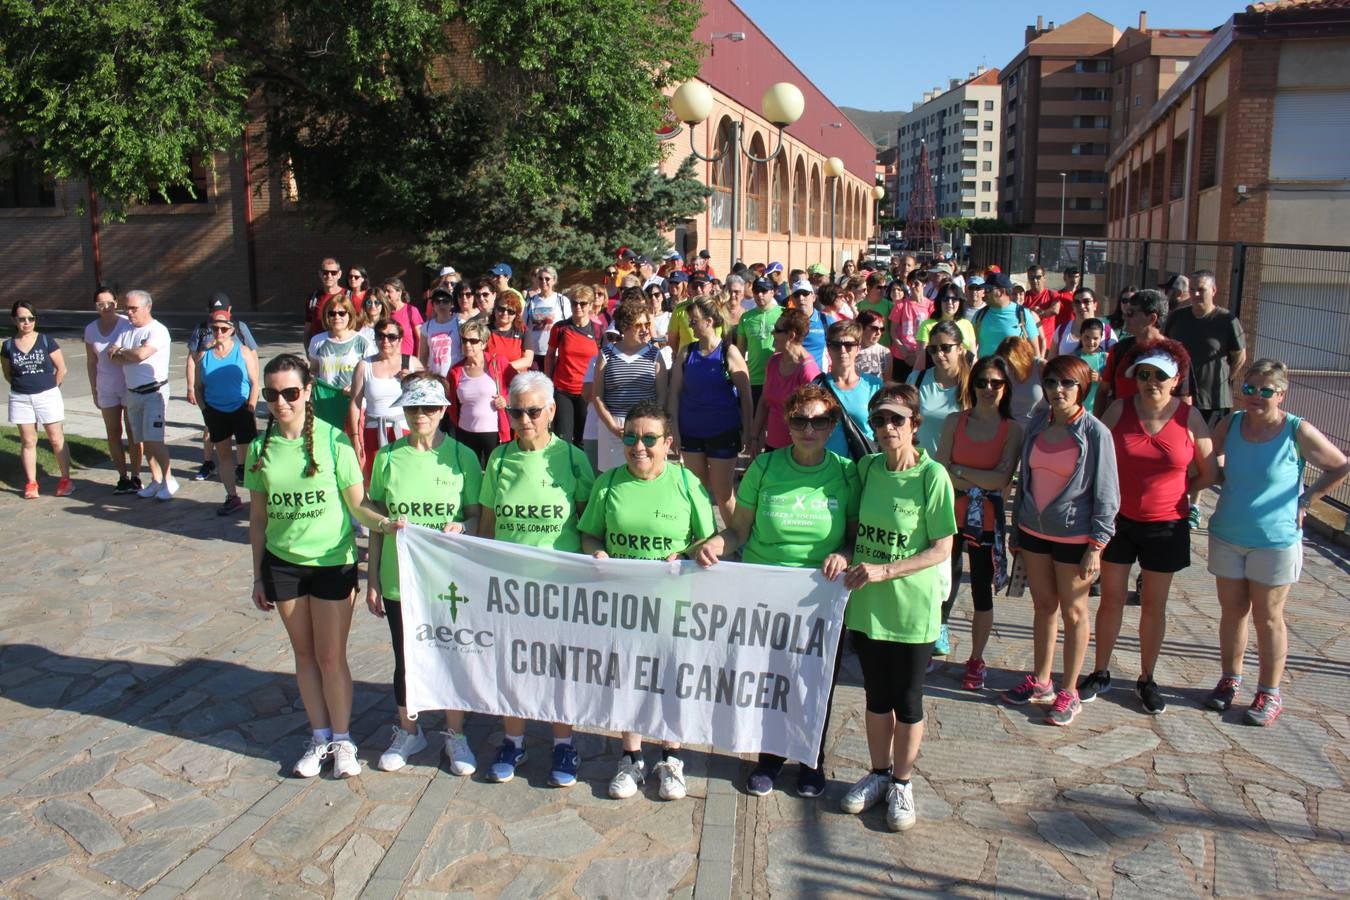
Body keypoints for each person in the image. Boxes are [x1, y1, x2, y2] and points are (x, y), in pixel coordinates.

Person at [695, 384, 859, 797]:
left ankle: (811, 759)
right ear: (787, 423)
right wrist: (716, 544)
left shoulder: (845, 472)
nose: (809, 429)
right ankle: (769, 757)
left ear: (832, 425)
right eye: (800, 421)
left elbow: (855, 536)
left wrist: (843, 554)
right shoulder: (765, 467)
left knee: (815, 680)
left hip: (820, 597)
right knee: (769, 677)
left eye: (819, 421)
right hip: (765, 594)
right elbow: (738, 531)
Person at [246, 353, 392, 778]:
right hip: (283, 565)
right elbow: (258, 518)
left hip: (332, 563)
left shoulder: (334, 441)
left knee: (331, 657)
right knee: (304, 655)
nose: (281, 402)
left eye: (290, 392)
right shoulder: (259, 448)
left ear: (308, 391)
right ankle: (320, 736)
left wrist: (389, 524)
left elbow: (358, 505)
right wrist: (258, 574)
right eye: (272, 394)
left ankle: (343, 741)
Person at [581, 400, 717, 801]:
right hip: (623, 605)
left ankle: (671, 757)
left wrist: (689, 553)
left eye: (649, 439)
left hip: (674, 605)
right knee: (627, 678)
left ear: (668, 443)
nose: (638, 447)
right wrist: (596, 551)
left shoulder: (687, 483)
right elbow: (590, 533)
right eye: (630, 438)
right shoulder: (608, 483)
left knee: (671, 679)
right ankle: (631, 757)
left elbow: (709, 540)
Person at [1204, 359, 1349, 726]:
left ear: (1281, 394)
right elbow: (1207, 457)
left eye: (1265, 391)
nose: (1255, 396)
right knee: (1233, 612)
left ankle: (1269, 692)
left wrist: (1306, 500)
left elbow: (1340, 465)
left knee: (1268, 618)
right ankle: (1230, 679)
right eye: (1249, 388)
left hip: (1275, 540)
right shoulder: (1231, 423)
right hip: (1228, 534)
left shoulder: (1296, 430)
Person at [839, 383, 955, 831]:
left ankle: (903, 783)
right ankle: (878, 773)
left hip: (911, 606)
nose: (887, 427)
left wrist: (885, 570)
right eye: (879, 420)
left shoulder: (932, 476)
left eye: (896, 419)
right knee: (876, 695)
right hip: (868, 603)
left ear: (914, 424)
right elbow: (852, 525)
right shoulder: (867, 468)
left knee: (907, 699)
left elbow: (942, 547)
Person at [1078, 347, 1216, 714]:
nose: (1150, 382)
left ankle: (1147, 678)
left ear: (1175, 380)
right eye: (1143, 374)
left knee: (1154, 605)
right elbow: (1092, 455)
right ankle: (1100, 671)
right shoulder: (1119, 410)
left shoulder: (1189, 417)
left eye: (1159, 375)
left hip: (1167, 525)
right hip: (1118, 521)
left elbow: (1210, 471)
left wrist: (1180, 493)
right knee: (1111, 599)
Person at [479, 371, 595, 785]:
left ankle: (564, 744)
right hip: (511, 586)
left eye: (533, 411)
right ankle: (513, 740)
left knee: (559, 667)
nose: (524, 419)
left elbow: (589, 523)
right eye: (516, 412)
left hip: (560, 584)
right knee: (512, 664)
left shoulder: (573, 459)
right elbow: (487, 524)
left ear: (550, 411)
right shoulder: (499, 459)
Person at [364, 373, 482, 773]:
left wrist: (462, 527)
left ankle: (456, 734)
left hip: (449, 581)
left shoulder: (463, 457)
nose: (421, 415)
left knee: (451, 655)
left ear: (443, 411)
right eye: (414, 407)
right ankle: (408, 730)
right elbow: (376, 519)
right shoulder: (388, 457)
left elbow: (476, 515)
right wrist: (373, 579)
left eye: (429, 407)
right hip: (400, 577)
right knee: (405, 656)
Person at [1003, 356, 1119, 727]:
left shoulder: (1095, 433)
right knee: (1043, 607)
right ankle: (1041, 681)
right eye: (1052, 383)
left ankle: (1069, 690)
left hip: (1075, 536)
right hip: (1034, 532)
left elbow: (1107, 493)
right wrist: (1017, 529)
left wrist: (1097, 545)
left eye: (1067, 383)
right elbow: (1025, 479)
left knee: (1074, 613)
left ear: (1082, 387)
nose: (1058, 390)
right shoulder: (1038, 423)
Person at [937, 356, 1022, 690]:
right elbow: (941, 470)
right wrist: (977, 479)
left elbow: (1002, 479)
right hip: (949, 515)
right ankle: (930, 641)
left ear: (1006, 388)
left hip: (986, 521)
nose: (988, 388)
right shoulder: (954, 421)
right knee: (940, 584)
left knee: (981, 591)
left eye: (996, 383)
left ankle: (976, 658)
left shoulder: (1012, 429)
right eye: (982, 382)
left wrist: (960, 472)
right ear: (971, 385)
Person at [668, 298, 753, 524]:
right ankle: (705, 537)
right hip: (691, 432)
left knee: (723, 494)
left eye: (694, 321)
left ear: (709, 321)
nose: (690, 325)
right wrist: (673, 429)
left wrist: (748, 431)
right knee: (697, 492)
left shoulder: (729, 352)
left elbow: (746, 397)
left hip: (723, 432)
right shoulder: (686, 352)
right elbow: (674, 394)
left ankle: (737, 539)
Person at [191, 308, 261, 515]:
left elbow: (255, 382)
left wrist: (251, 407)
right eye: (215, 329)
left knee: (249, 458)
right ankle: (232, 496)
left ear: (231, 330)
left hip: (241, 408)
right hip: (215, 411)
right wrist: (205, 410)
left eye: (223, 328)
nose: (219, 332)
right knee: (224, 456)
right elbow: (198, 386)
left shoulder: (243, 351)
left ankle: (257, 500)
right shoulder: (204, 355)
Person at [109, 290, 177, 500]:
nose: (129, 313)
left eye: (133, 308)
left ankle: (169, 480)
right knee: (143, 441)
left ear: (147, 307)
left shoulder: (158, 331)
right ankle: (156, 480)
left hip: (153, 392)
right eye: (126, 309)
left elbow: (141, 354)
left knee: (155, 439)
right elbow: (113, 356)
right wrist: (126, 352)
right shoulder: (126, 331)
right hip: (133, 392)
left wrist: (124, 351)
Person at [4, 301, 73, 499]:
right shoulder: (8, 345)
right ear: (14, 320)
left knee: (56, 438)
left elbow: (61, 369)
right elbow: (7, 373)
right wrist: (23, 386)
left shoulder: (46, 341)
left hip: (47, 395)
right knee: (28, 441)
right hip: (20, 398)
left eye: (31, 318)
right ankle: (31, 483)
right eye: (22, 319)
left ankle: (66, 480)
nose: (27, 322)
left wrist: (51, 388)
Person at [592, 300, 667, 472]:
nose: (645, 329)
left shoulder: (655, 354)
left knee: (646, 474)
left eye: (647, 324)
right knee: (613, 477)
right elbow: (597, 396)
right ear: (625, 327)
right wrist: (612, 426)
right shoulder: (606, 354)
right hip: (614, 427)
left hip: (647, 426)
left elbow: (662, 396)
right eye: (639, 325)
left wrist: (651, 424)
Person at [1163, 270, 1245, 425]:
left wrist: (1225, 379)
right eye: (1192, 289)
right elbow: (1165, 349)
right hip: (1178, 395)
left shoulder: (1227, 320)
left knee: (1208, 439)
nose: (1196, 294)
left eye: (1201, 290)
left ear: (1213, 290)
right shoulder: (1177, 317)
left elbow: (1240, 356)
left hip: (1213, 400)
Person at [348, 317, 421, 481]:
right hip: (374, 430)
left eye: (391, 337)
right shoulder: (364, 365)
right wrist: (355, 438)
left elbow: (427, 397)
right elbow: (355, 404)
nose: (385, 341)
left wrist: (413, 380)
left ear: (400, 340)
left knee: (406, 478)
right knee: (377, 480)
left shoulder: (412, 363)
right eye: (380, 336)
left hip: (405, 429)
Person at [84, 286, 141, 493]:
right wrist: (94, 389)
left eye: (109, 303)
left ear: (116, 303)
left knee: (133, 431)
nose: (106, 307)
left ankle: (136, 476)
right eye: (101, 304)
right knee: (113, 432)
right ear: (95, 306)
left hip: (128, 384)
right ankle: (122, 477)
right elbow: (91, 362)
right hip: (105, 386)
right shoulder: (91, 329)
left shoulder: (127, 324)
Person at [749, 308, 820, 455]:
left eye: (777, 330)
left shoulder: (808, 371)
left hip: (797, 451)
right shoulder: (774, 361)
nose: (772, 333)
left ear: (791, 335)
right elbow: (764, 401)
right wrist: (754, 437)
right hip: (771, 446)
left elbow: (812, 418)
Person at [445, 320, 510, 466]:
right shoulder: (455, 371)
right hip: (465, 432)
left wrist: (506, 399)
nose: (467, 344)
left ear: (484, 344)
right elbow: (451, 402)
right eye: (464, 340)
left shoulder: (498, 362)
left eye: (473, 341)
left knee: (494, 472)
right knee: (468, 472)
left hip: (494, 432)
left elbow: (519, 388)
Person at [817, 319, 882, 461]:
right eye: (836, 345)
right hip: (827, 465)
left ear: (858, 348)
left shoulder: (875, 386)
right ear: (828, 348)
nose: (842, 350)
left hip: (864, 464)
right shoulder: (817, 386)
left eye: (849, 345)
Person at [306, 294, 372, 430]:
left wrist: (355, 386)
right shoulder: (317, 341)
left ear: (350, 315)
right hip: (325, 404)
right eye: (332, 313)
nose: (337, 317)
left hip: (354, 403)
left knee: (353, 441)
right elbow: (314, 370)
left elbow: (371, 375)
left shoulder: (363, 342)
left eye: (342, 313)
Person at [736, 277, 785, 411]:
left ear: (772, 292)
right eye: (756, 291)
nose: (760, 295)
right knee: (754, 420)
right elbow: (740, 351)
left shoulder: (784, 314)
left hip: (778, 378)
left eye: (764, 291)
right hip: (753, 380)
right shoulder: (746, 317)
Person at [974, 273, 1041, 359]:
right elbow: (971, 348)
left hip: (1015, 367)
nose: (984, 294)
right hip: (985, 367)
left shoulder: (1023, 314)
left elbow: (1035, 353)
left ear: (1001, 292)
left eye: (988, 290)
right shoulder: (979, 315)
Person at [915, 284, 976, 370]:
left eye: (954, 299)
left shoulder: (967, 324)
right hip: (935, 374)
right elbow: (921, 359)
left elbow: (973, 358)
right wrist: (915, 376)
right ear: (939, 301)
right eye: (945, 299)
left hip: (963, 374)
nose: (949, 302)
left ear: (960, 302)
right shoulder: (927, 325)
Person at [996, 336, 1047, 432]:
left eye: (1010, 363)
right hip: (1009, 431)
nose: (1007, 367)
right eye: (1004, 362)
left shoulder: (1041, 367)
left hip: (1037, 431)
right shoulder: (1001, 370)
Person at [1049, 287, 1116, 358]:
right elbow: (1051, 360)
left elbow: (1115, 361)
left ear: (1095, 305)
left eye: (1086, 301)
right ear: (1073, 306)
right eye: (1077, 302)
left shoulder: (1107, 332)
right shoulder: (1062, 329)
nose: (1082, 306)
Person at [522, 265, 569, 366]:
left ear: (554, 280)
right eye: (540, 278)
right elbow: (524, 325)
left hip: (555, 354)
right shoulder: (531, 301)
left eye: (547, 279)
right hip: (533, 354)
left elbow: (569, 326)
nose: (543, 281)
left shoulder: (562, 300)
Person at [888, 276, 931, 382]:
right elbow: (893, 331)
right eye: (910, 284)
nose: (912, 286)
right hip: (901, 355)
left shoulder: (931, 305)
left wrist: (917, 355)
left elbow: (931, 333)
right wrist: (904, 352)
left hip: (921, 355)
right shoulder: (900, 305)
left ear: (924, 284)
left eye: (916, 283)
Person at [486, 290, 534, 381]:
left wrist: (501, 367)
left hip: (516, 382)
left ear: (516, 314)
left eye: (510, 311)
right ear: (495, 309)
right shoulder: (485, 331)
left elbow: (528, 360)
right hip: (491, 380)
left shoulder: (523, 331)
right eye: (501, 309)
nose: (505, 313)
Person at [418, 287, 461, 378]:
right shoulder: (427, 327)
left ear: (451, 304)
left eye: (445, 301)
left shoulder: (460, 324)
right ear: (433, 306)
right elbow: (423, 355)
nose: (441, 304)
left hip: (455, 375)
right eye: (437, 301)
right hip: (434, 376)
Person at [304, 257, 346, 344]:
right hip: (318, 349)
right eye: (325, 272)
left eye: (333, 273)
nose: (329, 276)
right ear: (320, 274)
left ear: (339, 274)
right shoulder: (313, 298)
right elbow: (308, 329)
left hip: (343, 348)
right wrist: (308, 349)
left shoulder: (348, 296)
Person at [384, 277, 427, 355]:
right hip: (390, 359)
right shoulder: (385, 313)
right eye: (384, 291)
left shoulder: (410, 310)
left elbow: (421, 338)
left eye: (389, 291)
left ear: (399, 292)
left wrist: (418, 359)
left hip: (408, 359)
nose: (385, 294)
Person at [1075, 319, 1110, 412]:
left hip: (1099, 412)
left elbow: (1113, 388)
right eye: (1087, 337)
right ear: (1080, 335)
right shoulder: (1073, 357)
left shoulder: (1106, 358)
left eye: (1095, 338)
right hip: (1077, 411)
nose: (1091, 342)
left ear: (1101, 337)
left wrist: (1100, 379)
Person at [855, 311, 889, 378]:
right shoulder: (848, 348)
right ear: (861, 327)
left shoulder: (885, 352)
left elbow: (887, 381)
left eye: (882, 329)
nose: (879, 333)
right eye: (874, 328)